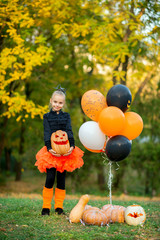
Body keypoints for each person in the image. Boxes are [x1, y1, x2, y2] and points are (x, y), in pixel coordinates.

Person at [35, 87, 84, 215]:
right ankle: (46, 207)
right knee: (50, 177)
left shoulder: (66, 116)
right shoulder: (46, 117)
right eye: (55, 102)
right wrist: (49, 148)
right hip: (51, 151)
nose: (57, 105)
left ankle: (59, 207)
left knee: (61, 179)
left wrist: (72, 146)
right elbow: (46, 133)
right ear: (51, 101)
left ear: (64, 104)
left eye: (60, 103)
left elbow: (69, 131)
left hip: (65, 151)